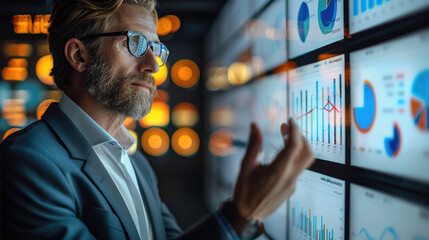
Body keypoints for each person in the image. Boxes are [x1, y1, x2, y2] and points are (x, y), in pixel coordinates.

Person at [0, 0, 315, 239]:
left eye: (156, 48)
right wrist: (239, 216)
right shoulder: (28, 162)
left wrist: (242, 216)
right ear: (79, 56)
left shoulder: (136, 164)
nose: (153, 64)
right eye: (136, 43)